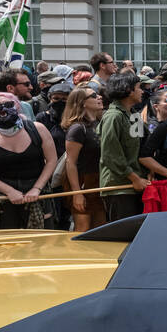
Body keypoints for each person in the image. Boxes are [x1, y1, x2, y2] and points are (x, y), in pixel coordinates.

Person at [0, 92, 57, 230]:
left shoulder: (37, 129)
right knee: (7, 246)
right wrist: (9, 191)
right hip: (3, 198)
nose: (3, 110)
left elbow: (52, 160)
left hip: (38, 193)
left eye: (8, 105)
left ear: (17, 107)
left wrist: (36, 188)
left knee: (42, 244)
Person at [98, 72, 148, 222]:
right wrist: (134, 178)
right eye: (139, 87)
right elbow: (110, 154)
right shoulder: (113, 116)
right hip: (119, 188)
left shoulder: (134, 115)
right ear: (128, 90)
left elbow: (142, 147)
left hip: (139, 184)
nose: (142, 91)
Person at [61, 86, 106, 232]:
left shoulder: (99, 123)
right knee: (83, 230)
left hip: (98, 182)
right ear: (82, 103)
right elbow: (70, 162)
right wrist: (77, 194)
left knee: (100, 230)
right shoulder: (78, 128)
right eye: (93, 95)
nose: (99, 97)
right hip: (82, 183)